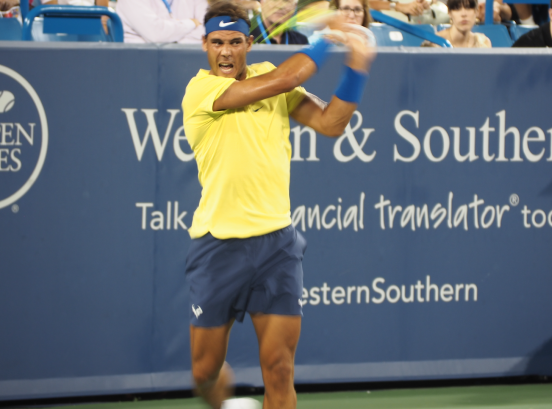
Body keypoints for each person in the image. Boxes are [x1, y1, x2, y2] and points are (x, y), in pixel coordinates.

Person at [181, 1, 375, 408]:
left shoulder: (272, 78)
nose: (227, 51)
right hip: (218, 248)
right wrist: (328, 37)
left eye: (235, 41)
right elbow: (288, 77)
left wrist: (356, 69)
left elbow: (331, 124)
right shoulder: (201, 90)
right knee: (204, 373)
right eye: (217, 42)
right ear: (205, 45)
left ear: (249, 43)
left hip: (276, 247)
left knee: (281, 367)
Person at [116, 0, 207, 44]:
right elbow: (156, 34)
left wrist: (170, 36)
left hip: (185, 58)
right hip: (140, 60)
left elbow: (209, 31)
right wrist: (191, 23)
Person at [426, 0, 491, 47]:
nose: (463, 14)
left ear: (476, 12)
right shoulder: (435, 43)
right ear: (449, 13)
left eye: (468, 8)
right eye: (457, 8)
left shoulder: (483, 43)